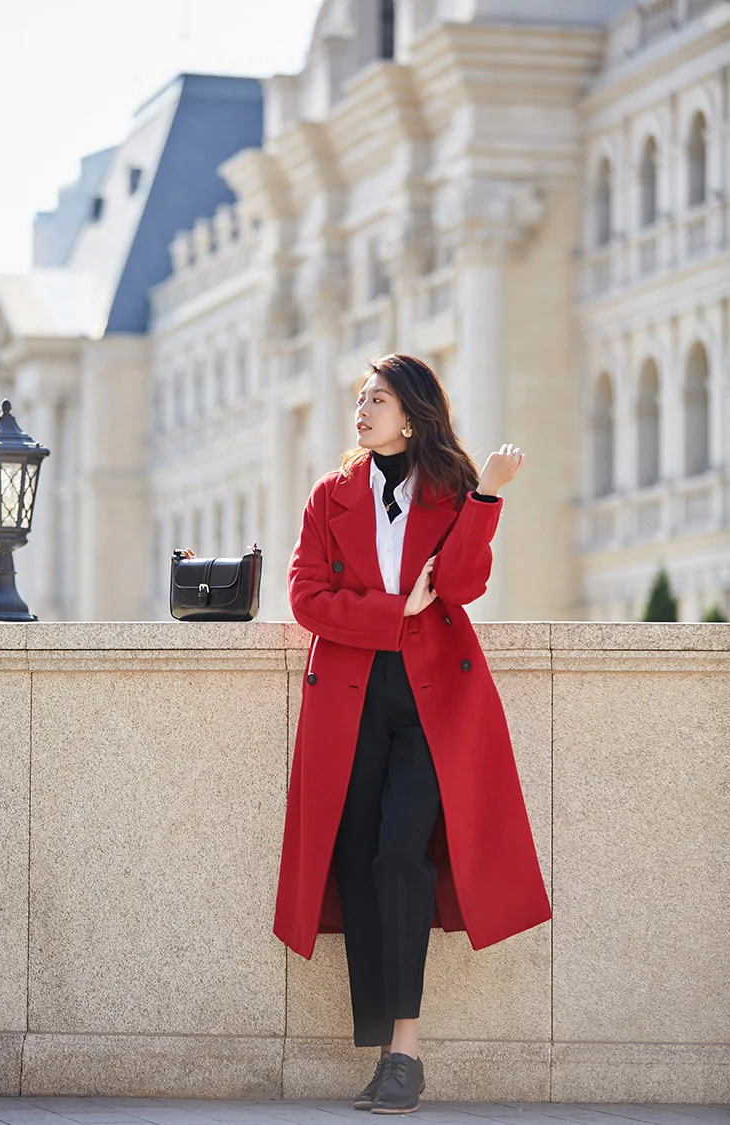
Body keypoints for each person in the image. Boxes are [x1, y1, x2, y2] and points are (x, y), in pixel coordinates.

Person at [273, 353, 552, 1114]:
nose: (363, 410)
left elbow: (460, 586)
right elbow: (305, 598)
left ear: (412, 413)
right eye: (361, 398)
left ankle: (406, 1051)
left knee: (401, 851)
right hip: (351, 699)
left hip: (434, 700)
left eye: (379, 399)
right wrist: (394, 610)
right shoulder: (331, 495)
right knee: (360, 859)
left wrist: (487, 496)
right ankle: (384, 1054)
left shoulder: (451, 489)